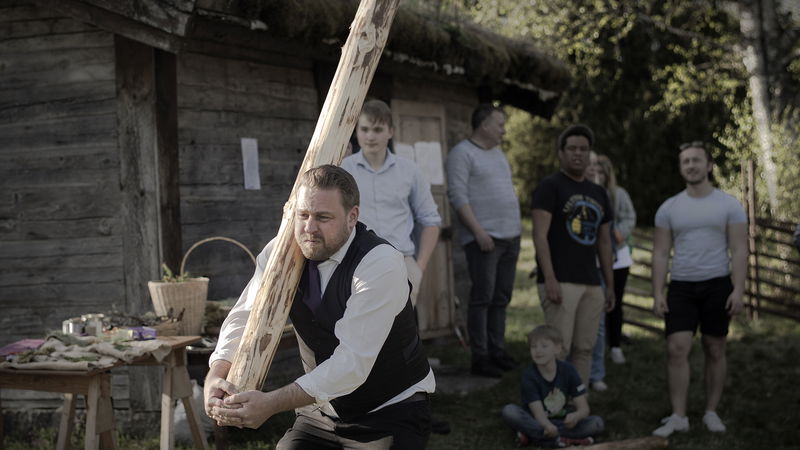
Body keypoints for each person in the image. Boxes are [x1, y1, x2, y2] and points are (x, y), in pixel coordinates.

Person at [205, 165, 435, 448]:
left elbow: (352, 363)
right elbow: (245, 315)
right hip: (324, 412)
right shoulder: (279, 254)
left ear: (352, 217)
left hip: (390, 410)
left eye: (323, 217)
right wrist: (215, 373)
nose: (309, 228)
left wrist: (272, 403)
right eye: (303, 215)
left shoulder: (380, 263)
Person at [651, 141, 747, 437]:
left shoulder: (729, 205)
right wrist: (657, 291)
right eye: (685, 162)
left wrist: (739, 289)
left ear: (708, 166)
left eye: (696, 160)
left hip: (718, 284)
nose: (690, 165)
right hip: (681, 286)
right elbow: (661, 252)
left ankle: (711, 412)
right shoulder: (669, 208)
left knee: (715, 347)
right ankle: (679, 416)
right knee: (676, 348)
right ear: (681, 168)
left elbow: (740, 248)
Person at [531, 124, 615, 385]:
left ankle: (576, 404)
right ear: (561, 153)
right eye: (572, 149)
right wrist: (550, 278)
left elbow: (604, 243)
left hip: (591, 282)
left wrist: (609, 285)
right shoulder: (550, 186)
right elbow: (539, 236)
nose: (578, 154)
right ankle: (551, 407)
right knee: (558, 349)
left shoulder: (599, 192)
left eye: (584, 149)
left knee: (585, 348)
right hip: (560, 281)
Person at [445, 104, 522, 378]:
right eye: (499, 124)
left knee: (501, 297)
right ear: (484, 125)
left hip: (511, 237)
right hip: (485, 240)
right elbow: (458, 196)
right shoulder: (462, 154)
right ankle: (481, 356)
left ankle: (497, 351)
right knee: (482, 298)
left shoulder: (498, 153)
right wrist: (478, 232)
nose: (503, 130)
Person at [341, 99, 441, 306]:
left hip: (402, 263)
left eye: (378, 130)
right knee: (361, 334)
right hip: (357, 265)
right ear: (357, 131)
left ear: (391, 131)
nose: (370, 136)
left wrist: (419, 267)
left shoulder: (410, 170)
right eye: (365, 129)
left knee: (402, 336)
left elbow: (431, 220)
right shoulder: (343, 170)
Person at [501, 325, 604, 448]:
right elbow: (538, 414)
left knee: (596, 423)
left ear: (557, 349)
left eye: (544, 346)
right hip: (537, 421)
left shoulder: (569, 370)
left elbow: (584, 409)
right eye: (533, 347)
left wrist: (576, 416)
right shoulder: (529, 376)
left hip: (561, 422)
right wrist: (547, 426)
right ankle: (560, 441)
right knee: (510, 411)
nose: (538, 351)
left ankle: (532, 436)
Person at [595, 155, 636, 365]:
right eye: (595, 172)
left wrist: (619, 233)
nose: (598, 176)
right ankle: (596, 348)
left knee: (614, 302)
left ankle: (615, 345)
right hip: (594, 259)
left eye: (602, 173)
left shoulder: (619, 195)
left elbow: (630, 217)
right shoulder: (586, 193)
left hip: (618, 257)